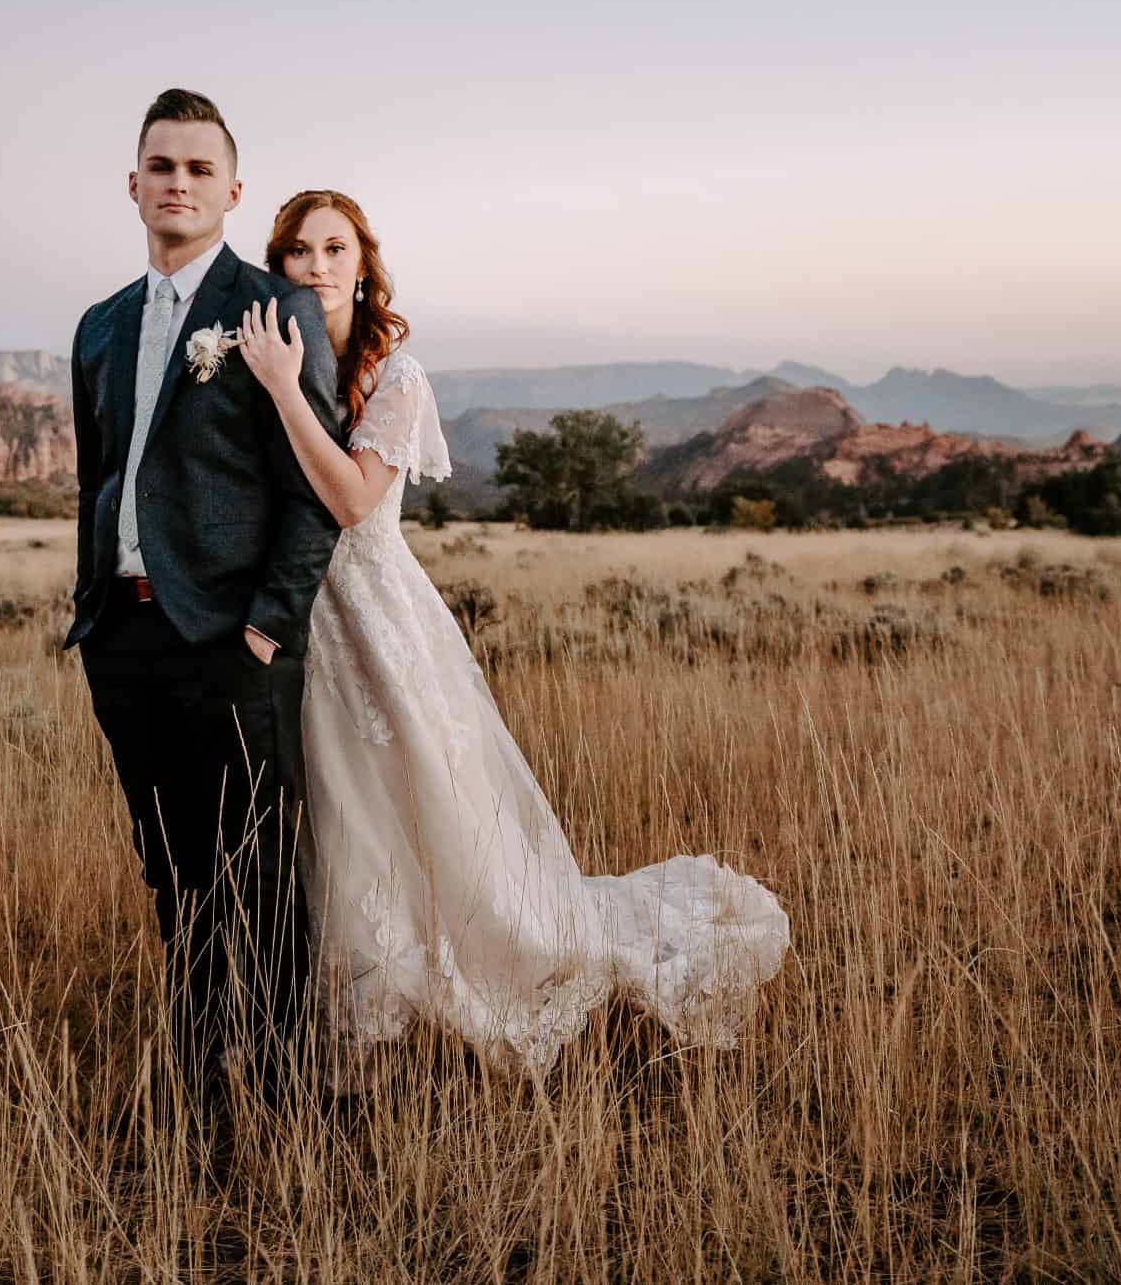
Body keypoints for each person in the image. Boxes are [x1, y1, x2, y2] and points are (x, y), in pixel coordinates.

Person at [235, 191, 789, 1076]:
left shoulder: (396, 375)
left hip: (377, 617)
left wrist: (278, 389)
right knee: (341, 815)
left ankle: (472, 973)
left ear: (365, 266)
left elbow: (352, 501)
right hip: (298, 620)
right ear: (279, 267)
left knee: (421, 801)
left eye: (336, 249)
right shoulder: (281, 357)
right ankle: (366, 1003)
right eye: (299, 251)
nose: (318, 266)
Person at [64, 90, 342, 1121]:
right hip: (124, 638)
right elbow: (97, 478)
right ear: (133, 183)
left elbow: (313, 492)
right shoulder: (100, 326)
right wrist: (92, 611)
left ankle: (287, 1103)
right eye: (160, 165)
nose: (176, 183)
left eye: (197, 168)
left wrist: (267, 626)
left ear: (232, 190)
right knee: (172, 872)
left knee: (258, 877)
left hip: (233, 641)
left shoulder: (273, 310)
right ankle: (198, 1090)